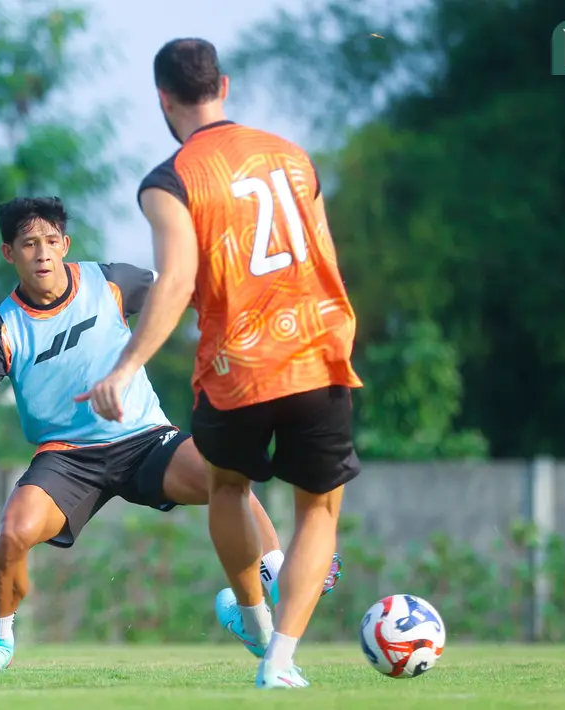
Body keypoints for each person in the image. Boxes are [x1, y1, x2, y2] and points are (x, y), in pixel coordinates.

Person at [0, 196, 341, 672]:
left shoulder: (110, 280)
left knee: (226, 472)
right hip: (68, 458)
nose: (43, 254)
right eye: (29, 244)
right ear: (9, 253)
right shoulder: (3, 326)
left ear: (66, 244)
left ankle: (272, 580)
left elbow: (180, 291)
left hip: (144, 438)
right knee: (13, 534)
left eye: (51, 241)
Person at [82, 38, 363, 689]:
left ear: (162, 97)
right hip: (316, 357)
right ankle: (281, 660)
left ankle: (254, 620)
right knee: (316, 513)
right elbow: (324, 256)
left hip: (235, 367)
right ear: (223, 86)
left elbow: (176, 282)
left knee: (228, 488)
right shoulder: (293, 157)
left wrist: (125, 368)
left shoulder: (170, 178)